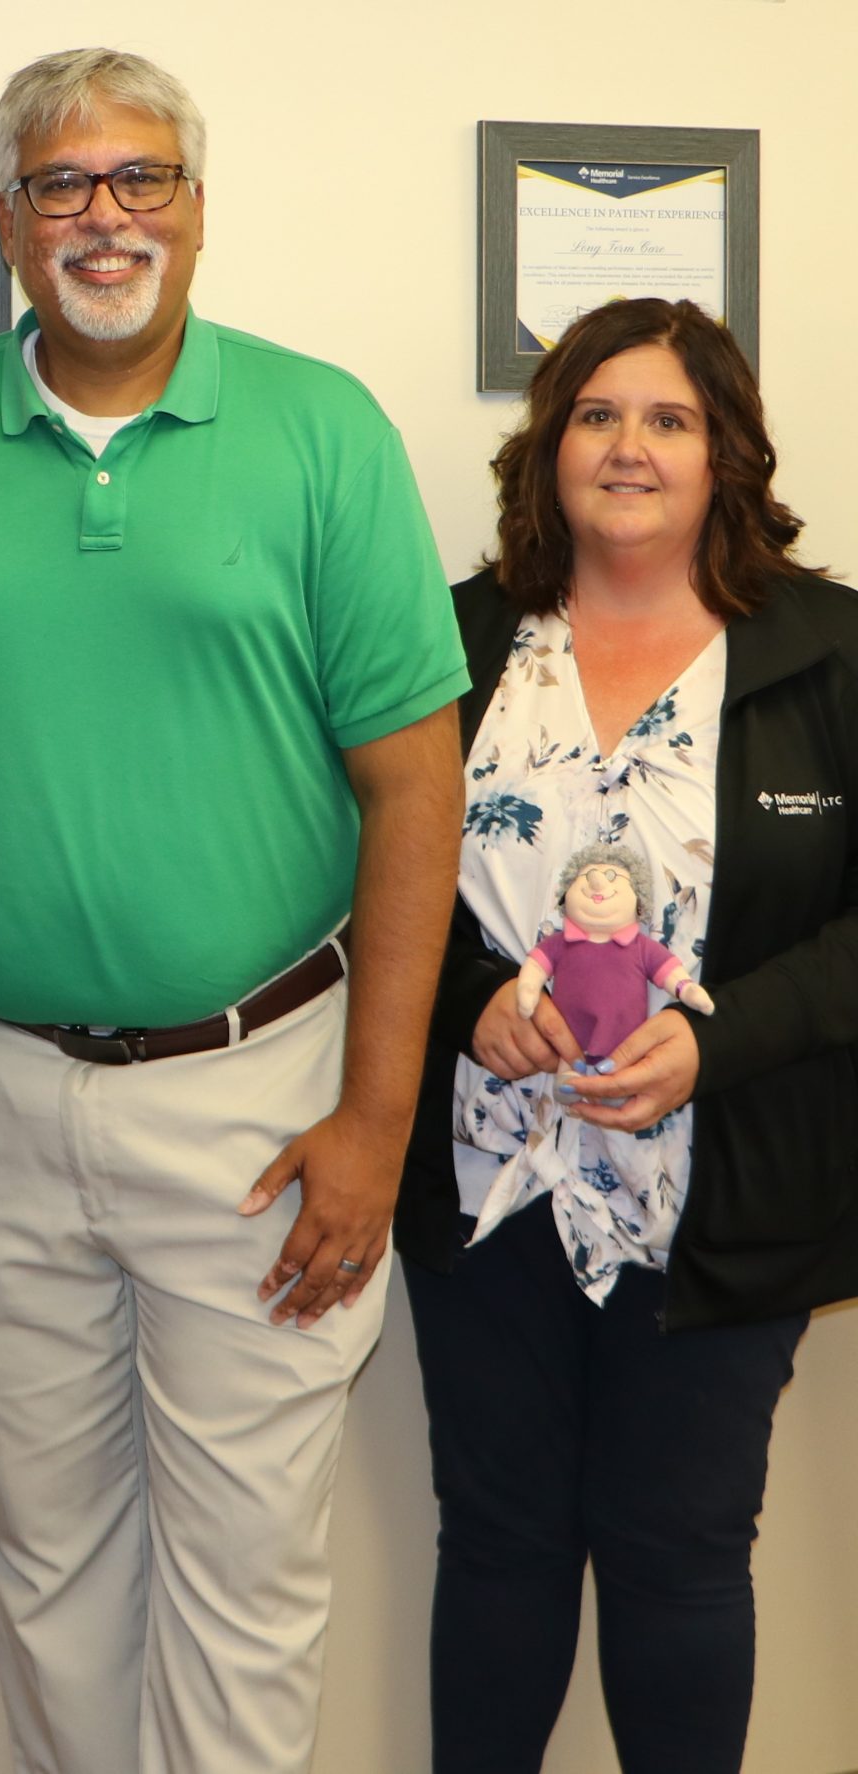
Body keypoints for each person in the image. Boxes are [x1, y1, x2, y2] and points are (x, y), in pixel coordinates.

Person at [0, 47, 469, 1774]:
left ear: (197, 205)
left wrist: (378, 1117)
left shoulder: (322, 428)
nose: (106, 218)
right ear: (8, 227)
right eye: (64, 186)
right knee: (50, 1568)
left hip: (264, 1099)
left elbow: (416, 783)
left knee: (248, 1585)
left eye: (140, 177)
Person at [400, 296, 858, 1774]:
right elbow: (354, 878)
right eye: (597, 414)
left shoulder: (831, 651)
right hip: (486, 1183)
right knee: (500, 1545)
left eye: (669, 418)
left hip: (727, 1196)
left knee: (677, 1556)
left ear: (726, 451)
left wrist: (716, 1046)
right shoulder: (453, 638)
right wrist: (474, 996)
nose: (630, 447)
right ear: (546, 450)